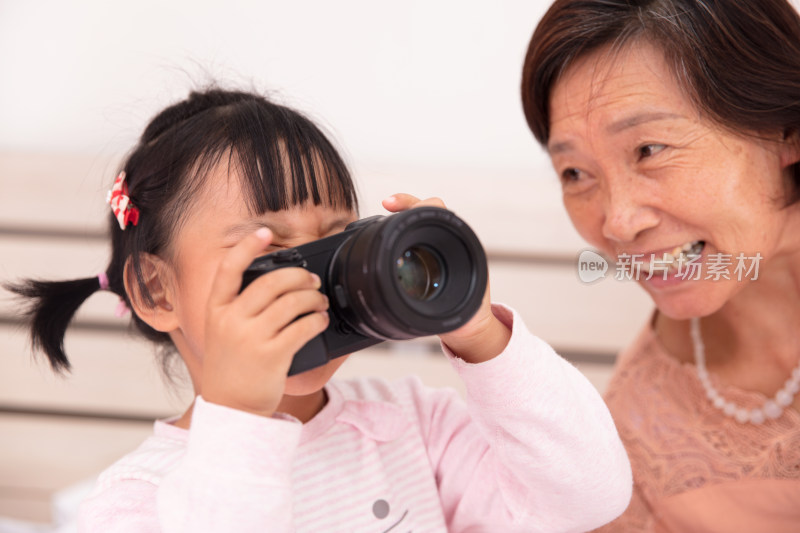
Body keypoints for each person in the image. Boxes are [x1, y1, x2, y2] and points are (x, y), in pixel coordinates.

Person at [7, 87, 631, 532]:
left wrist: (480, 335)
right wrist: (240, 418)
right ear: (156, 290)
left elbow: (587, 498)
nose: (311, 285)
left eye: (334, 242)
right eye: (269, 249)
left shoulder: (412, 425)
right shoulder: (135, 502)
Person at [521, 0, 800, 531]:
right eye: (575, 173)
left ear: (785, 127)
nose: (618, 223)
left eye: (649, 148)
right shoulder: (636, 435)